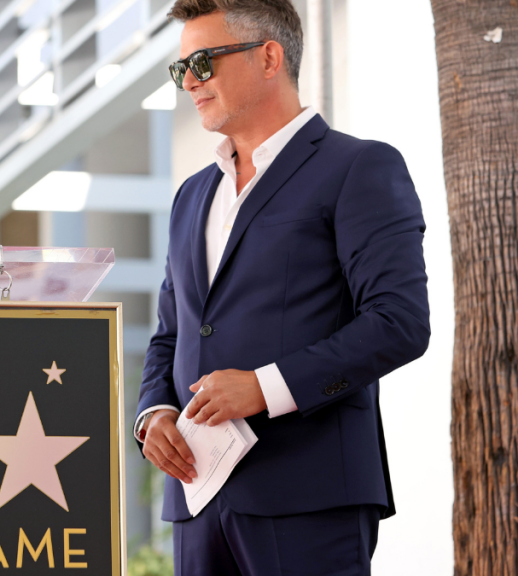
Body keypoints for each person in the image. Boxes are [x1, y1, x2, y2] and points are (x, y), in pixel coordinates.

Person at [133, 1, 430, 574]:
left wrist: (266, 388)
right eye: (180, 69)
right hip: (197, 496)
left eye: (202, 61)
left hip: (310, 494)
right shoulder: (191, 196)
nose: (189, 81)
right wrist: (154, 412)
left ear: (269, 57)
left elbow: (399, 322)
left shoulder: (358, 168)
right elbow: (172, 332)